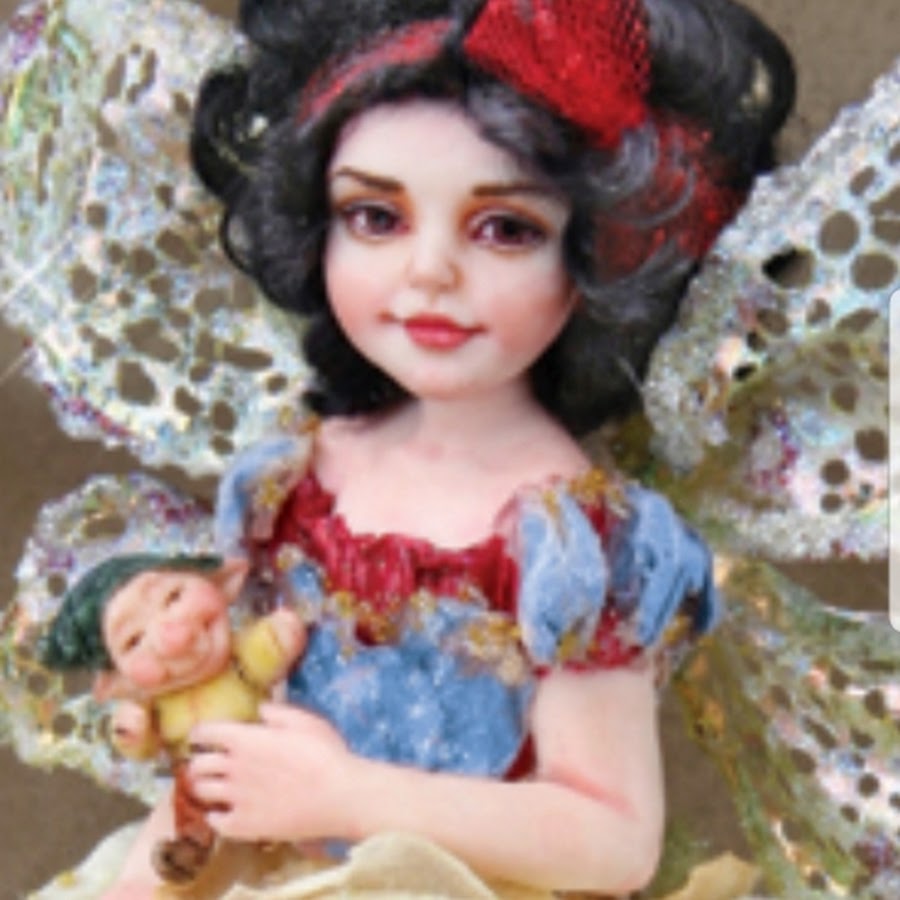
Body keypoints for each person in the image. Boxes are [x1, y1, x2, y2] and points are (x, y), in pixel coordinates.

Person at [37, 0, 795, 897]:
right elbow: (243, 735)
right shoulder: (292, 477)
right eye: (375, 217)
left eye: (506, 229)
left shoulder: (582, 542)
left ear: (601, 256)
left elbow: (615, 840)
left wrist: (349, 795)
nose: (430, 272)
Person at [38, 553, 305, 888]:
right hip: (196, 772)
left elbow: (261, 656)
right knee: (191, 801)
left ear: (223, 583)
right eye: (133, 640)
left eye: (174, 596)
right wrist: (134, 732)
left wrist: (275, 638)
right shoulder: (155, 705)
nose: (175, 638)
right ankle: (192, 848)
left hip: (258, 749)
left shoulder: (237, 664)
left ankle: (285, 826)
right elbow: (144, 744)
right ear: (116, 682)